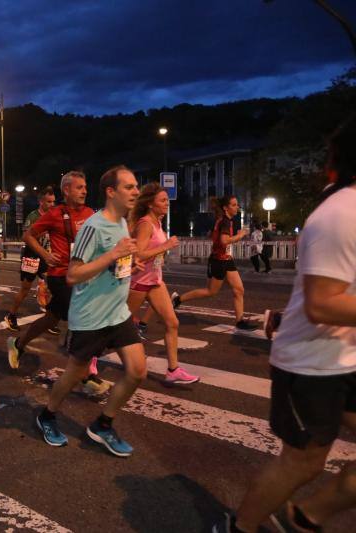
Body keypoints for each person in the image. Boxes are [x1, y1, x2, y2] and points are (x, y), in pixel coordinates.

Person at [214, 117, 356, 533]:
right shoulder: (341, 214)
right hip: (312, 364)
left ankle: (309, 515)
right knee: (304, 462)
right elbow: (322, 303)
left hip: (348, 355)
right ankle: (239, 527)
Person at [35, 165, 144, 456]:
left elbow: (111, 265)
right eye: (129, 186)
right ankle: (46, 415)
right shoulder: (94, 226)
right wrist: (113, 254)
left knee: (137, 372)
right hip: (92, 316)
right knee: (73, 375)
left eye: (136, 186)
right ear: (111, 192)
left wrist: (128, 265)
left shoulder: (122, 221)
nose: (136, 191)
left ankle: (103, 425)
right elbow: (73, 274)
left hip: (117, 312)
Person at [7, 172, 109, 395]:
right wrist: (45, 254)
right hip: (60, 276)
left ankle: (18, 344)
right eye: (79, 187)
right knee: (83, 319)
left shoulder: (91, 213)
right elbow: (28, 236)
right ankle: (86, 376)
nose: (84, 191)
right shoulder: (55, 214)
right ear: (67, 190)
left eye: (85, 187)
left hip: (83, 276)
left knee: (51, 318)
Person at [126, 183, 199, 385]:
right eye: (163, 200)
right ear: (151, 204)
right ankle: (91, 357)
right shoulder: (145, 224)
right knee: (119, 327)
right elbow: (138, 254)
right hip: (139, 282)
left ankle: (173, 370)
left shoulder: (157, 223)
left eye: (167, 200)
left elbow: (152, 253)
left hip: (155, 282)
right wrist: (165, 246)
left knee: (172, 323)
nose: (167, 204)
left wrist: (161, 254)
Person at [171, 196, 258, 330]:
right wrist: (240, 236)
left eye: (237, 205)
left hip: (227, 259)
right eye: (234, 205)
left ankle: (240, 321)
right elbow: (224, 241)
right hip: (218, 261)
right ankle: (178, 300)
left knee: (239, 289)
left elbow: (216, 238)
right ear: (226, 208)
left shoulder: (225, 221)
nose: (237, 207)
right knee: (210, 292)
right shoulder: (224, 222)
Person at [5, 186, 56, 331]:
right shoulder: (33, 216)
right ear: (41, 201)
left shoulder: (53, 216)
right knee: (25, 289)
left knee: (53, 287)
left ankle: (49, 321)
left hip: (45, 257)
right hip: (31, 256)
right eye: (48, 202)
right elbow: (26, 237)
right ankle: (11, 315)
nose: (52, 205)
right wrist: (44, 230)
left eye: (53, 202)